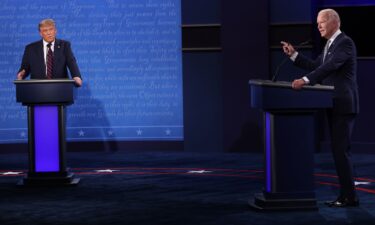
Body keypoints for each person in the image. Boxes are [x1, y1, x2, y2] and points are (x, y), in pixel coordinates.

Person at [281, 9, 359, 207]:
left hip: (343, 105)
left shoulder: (345, 43)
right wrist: (294, 56)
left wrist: (305, 81)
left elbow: (330, 67)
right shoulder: (329, 46)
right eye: (317, 23)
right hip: (332, 104)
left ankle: (350, 197)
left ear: (334, 22)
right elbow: (316, 65)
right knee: (338, 151)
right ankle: (346, 196)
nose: (318, 26)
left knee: (341, 152)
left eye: (321, 22)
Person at [17, 18, 82, 87]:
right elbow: (25, 67)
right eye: (45, 30)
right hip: (37, 88)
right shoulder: (31, 48)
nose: (49, 33)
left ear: (55, 31)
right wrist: (22, 74)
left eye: (51, 29)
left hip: (60, 88)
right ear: (41, 33)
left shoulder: (64, 46)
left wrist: (76, 76)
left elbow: (71, 62)